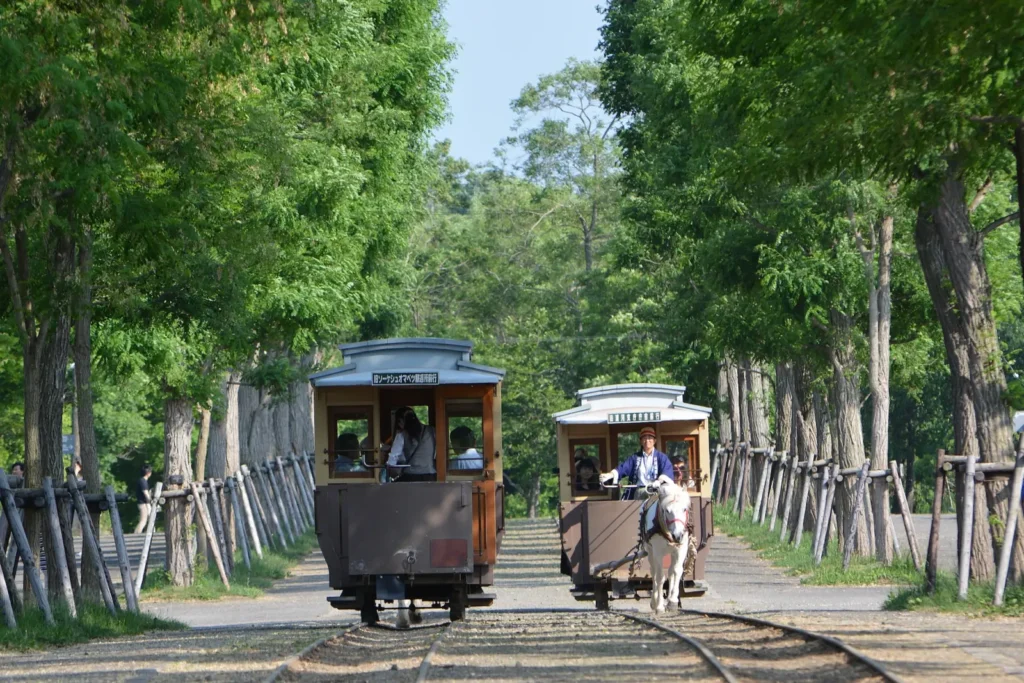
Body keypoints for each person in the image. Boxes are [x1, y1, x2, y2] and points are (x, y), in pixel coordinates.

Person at [599, 426, 672, 500]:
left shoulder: (662, 457)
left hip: (655, 491)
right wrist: (611, 474)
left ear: (654, 441)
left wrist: (659, 481)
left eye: (650, 438)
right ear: (640, 441)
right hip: (638, 492)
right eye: (644, 438)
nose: (647, 441)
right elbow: (623, 468)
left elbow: (666, 471)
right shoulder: (635, 457)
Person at [393, 411, 436, 482]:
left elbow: (393, 458)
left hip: (411, 475)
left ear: (401, 421)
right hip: (430, 475)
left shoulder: (401, 435)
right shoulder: (432, 431)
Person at [134, 465, 153, 534]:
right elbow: (145, 493)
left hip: (145, 503)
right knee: (143, 520)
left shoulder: (143, 481)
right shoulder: (143, 481)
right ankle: (136, 533)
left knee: (150, 518)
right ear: (148, 473)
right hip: (143, 503)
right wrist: (151, 500)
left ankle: (152, 532)